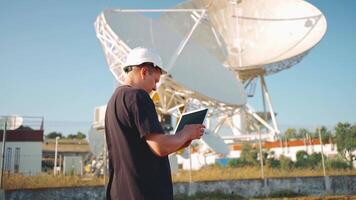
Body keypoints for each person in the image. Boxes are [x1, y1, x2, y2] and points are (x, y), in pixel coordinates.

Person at [105, 47, 205, 200]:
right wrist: (185, 133)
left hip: (120, 192)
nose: (155, 88)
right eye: (155, 81)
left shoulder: (114, 100)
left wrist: (181, 141)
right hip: (143, 192)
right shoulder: (138, 96)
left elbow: (145, 149)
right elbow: (159, 147)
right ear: (144, 72)